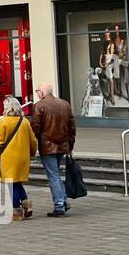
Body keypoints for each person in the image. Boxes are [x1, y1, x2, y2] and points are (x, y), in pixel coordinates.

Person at [31, 83, 76, 217]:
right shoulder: (65, 104)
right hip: (63, 145)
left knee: (53, 176)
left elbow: (35, 128)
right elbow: (72, 126)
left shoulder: (39, 106)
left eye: (37, 91)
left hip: (47, 146)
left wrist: (33, 144)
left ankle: (59, 205)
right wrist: (70, 145)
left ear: (43, 92)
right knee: (55, 174)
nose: (37, 93)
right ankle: (64, 201)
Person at [0, 95, 37, 221]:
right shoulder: (25, 121)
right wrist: (32, 153)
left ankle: (16, 211)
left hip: (8, 157)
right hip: (23, 157)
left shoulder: (4, 121)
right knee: (17, 182)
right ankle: (27, 206)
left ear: (7, 107)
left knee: (11, 184)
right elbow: (33, 140)